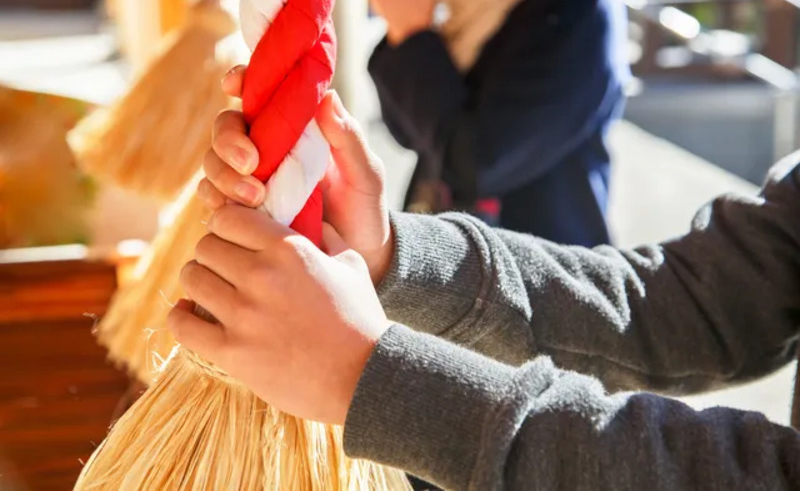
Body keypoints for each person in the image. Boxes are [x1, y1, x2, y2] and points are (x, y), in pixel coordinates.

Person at [181, 72, 800, 489]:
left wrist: (374, 378)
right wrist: (392, 256)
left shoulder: (576, 6)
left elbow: (475, 151)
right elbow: (686, 303)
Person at [361, 0, 630, 246]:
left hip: (538, 272)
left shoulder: (579, 1)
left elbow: (478, 165)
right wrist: (406, 28)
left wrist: (413, 33)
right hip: (455, 258)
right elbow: (414, 134)